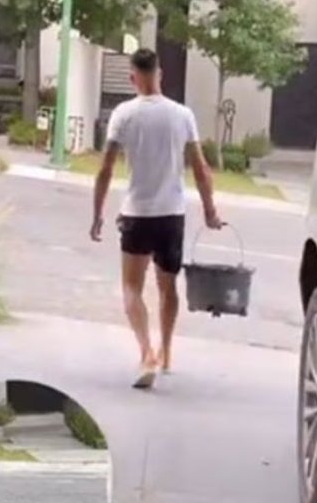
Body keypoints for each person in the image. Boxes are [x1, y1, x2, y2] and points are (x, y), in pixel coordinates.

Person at [90, 48, 224, 389]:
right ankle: (166, 352)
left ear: (132, 77)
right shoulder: (182, 115)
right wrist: (210, 211)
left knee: (131, 289)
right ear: (159, 74)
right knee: (168, 287)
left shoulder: (123, 114)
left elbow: (105, 169)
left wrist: (97, 214)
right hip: (171, 215)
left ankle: (147, 354)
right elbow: (201, 168)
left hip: (137, 214)